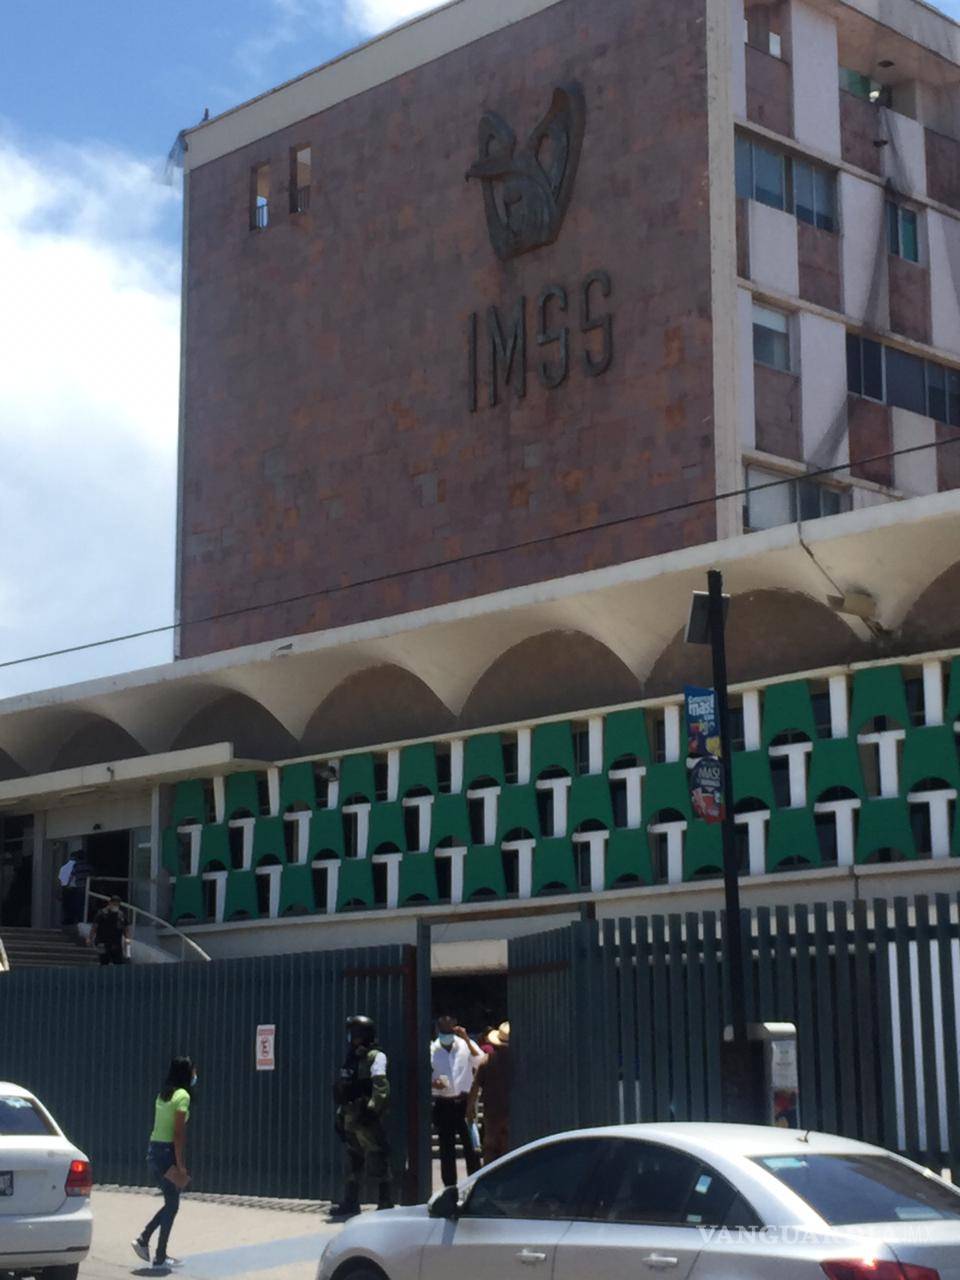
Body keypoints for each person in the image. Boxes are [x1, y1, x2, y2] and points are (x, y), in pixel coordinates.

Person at [132, 1056, 196, 1268]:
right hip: (166, 1152)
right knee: (173, 1202)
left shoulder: (163, 1094)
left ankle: (152, 1247)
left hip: (154, 1150)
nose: (195, 1075)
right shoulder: (183, 1096)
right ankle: (149, 1245)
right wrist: (181, 1165)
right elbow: (178, 1134)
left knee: (171, 1201)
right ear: (186, 1073)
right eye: (193, 1071)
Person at [330, 1014, 393, 1218]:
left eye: (355, 1034)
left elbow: (381, 1087)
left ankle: (385, 1202)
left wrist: (373, 1111)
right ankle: (351, 1202)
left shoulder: (376, 1056)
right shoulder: (352, 1057)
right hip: (351, 1116)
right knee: (353, 1159)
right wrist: (340, 1115)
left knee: (377, 1157)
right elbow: (346, 1089)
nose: (352, 1038)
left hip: (366, 1117)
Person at [431, 1014, 482, 1187]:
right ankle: (450, 1187)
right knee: (446, 1149)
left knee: (471, 1148)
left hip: (464, 1104)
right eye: (443, 1030)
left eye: (450, 1029)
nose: (447, 1033)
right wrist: (433, 1084)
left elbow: (480, 1061)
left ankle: (474, 1183)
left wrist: (467, 1039)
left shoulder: (465, 1045)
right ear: (438, 1030)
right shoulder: (432, 1049)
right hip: (443, 1104)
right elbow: (425, 1077)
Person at [467, 1021, 512, 1164]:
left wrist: (469, 1109)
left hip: (492, 1114)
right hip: (512, 1113)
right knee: (509, 1151)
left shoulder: (487, 1061)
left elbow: (475, 1087)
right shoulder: (518, 1061)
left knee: (491, 1151)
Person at [89, 894, 131, 965]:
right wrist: (90, 938)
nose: (115, 906)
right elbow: (95, 927)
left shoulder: (121, 915)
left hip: (116, 944)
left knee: (118, 963)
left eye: (117, 904)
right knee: (104, 963)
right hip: (103, 943)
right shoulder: (102, 913)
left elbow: (126, 929)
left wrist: (127, 941)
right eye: (114, 903)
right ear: (110, 903)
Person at [58, 853, 85, 930]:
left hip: (69, 888)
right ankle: (76, 920)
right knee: (77, 905)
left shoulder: (66, 867)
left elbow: (61, 880)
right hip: (77, 887)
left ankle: (70, 920)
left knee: (69, 906)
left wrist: (61, 889)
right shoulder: (82, 866)